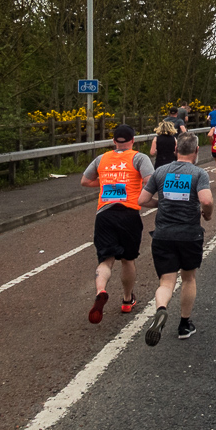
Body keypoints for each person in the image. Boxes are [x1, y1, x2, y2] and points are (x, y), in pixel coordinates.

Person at [139, 132, 213, 345]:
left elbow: (142, 200)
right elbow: (206, 201)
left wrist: (160, 203)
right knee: (188, 278)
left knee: (166, 281)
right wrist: (207, 214)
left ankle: (161, 309)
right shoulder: (198, 174)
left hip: (163, 234)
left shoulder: (161, 171)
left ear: (175, 150)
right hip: (189, 234)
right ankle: (184, 324)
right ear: (196, 151)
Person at [80, 125, 154, 323]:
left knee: (106, 259)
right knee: (128, 259)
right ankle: (127, 300)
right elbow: (150, 181)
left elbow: (85, 181)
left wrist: (105, 182)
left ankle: (101, 290)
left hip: (104, 214)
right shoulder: (139, 158)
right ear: (133, 140)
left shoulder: (101, 159)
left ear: (114, 141)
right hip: (129, 213)